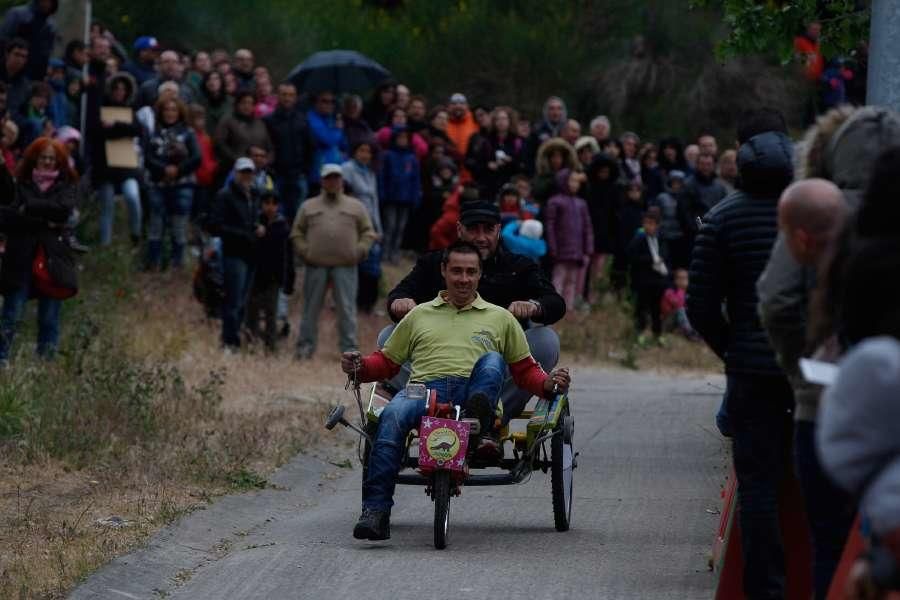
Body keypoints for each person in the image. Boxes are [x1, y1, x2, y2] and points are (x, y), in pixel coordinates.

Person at [758, 106, 900, 600]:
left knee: (830, 547)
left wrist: (805, 371)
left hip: (827, 408)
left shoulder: (817, 209)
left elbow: (776, 301)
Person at [342, 240, 572, 540]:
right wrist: (359, 366)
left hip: (477, 390)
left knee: (492, 361)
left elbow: (525, 370)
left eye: (470, 272)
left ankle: (480, 423)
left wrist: (549, 383)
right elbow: (386, 362)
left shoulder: (500, 318)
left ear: (479, 275)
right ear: (444, 272)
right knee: (391, 418)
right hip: (424, 391)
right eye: (457, 271)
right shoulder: (419, 315)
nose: (463, 279)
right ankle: (376, 512)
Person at [687, 107, 796, 599]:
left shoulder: (721, 218)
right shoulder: (822, 211)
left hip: (752, 370)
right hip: (813, 369)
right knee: (822, 475)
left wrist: (733, 348)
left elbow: (700, 304)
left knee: (757, 483)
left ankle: (765, 590)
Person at [385, 201, 565, 422]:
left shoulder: (518, 267)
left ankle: (489, 414)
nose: (481, 237)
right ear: (459, 230)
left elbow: (555, 303)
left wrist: (535, 307)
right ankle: (423, 405)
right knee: (388, 335)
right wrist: (400, 302)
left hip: (498, 365)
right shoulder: (434, 262)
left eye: (488, 229)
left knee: (546, 340)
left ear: (499, 230)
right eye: (473, 229)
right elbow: (399, 293)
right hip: (438, 367)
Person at [0, 136, 77, 364]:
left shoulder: (67, 186)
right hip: (20, 258)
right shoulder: (19, 184)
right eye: (43, 157)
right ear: (34, 159)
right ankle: (2, 361)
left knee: (49, 318)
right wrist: (46, 221)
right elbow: (6, 217)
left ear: (60, 162)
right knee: (11, 315)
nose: (47, 162)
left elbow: (63, 211)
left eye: (52, 159)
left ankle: (45, 366)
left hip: (52, 260)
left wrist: (28, 208)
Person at [291, 164, 375, 359]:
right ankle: (305, 348)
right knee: (310, 307)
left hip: (346, 265)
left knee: (346, 308)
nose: (333, 182)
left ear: (342, 181)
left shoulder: (356, 206)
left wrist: (360, 250)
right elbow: (297, 232)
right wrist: (305, 251)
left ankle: (350, 350)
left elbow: (368, 232)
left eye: (336, 178)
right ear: (322, 181)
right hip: (316, 264)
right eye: (329, 178)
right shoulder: (308, 206)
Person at [208, 157, 262, 350]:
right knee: (233, 300)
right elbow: (215, 225)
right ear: (236, 173)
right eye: (243, 172)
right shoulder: (225, 195)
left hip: (251, 253)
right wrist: (243, 235)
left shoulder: (255, 195)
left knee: (242, 301)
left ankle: (235, 339)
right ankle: (229, 341)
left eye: (250, 172)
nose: (247, 176)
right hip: (233, 253)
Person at [144, 97, 200, 270]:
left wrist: (178, 170)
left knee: (179, 225)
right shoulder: (153, 132)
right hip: (158, 184)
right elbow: (147, 158)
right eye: (166, 109)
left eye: (174, 109)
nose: (170, 113)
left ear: (180, 112)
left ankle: (178, 265)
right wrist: (164, 170)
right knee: (156, 224)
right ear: (161, 112)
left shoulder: (188, 133)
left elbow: (196, 157)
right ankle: (153, 263)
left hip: (183, 184)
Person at [91, 71, 144, 246]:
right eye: (116, 89)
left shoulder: (130, 111)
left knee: (132, 196)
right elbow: (99, 132)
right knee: (107, 207)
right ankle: (104, 246)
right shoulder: (100, 109)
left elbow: (137, 130)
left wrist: (116, 126)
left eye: (123, 89)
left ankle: (135, 235)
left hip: (126, 165)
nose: (120, 92)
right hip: (105, 167)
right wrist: (120, 129)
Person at [246, 189, 290, 352]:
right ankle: (250, 343)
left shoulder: (282, 226)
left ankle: (271, 347)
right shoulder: (255, 222)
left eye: (274, 204)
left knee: (271, 312)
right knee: (252, 311)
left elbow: (285, 255)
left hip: (274, 276)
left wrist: (285, 278)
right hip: (256, 274)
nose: (270, 207)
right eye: (267, 203)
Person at [342, 140, 382, 314]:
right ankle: (351, 303)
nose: (365, 155)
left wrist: (378, 228)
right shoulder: (346, 169)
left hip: (370, 224)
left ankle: (368, 304)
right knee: (355, 264)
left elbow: (374, 201)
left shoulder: (370, 173)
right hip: (352, 224)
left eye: (368, 151)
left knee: (372, 266)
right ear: (354, 152)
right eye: (361, 150)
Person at [545, 169, 593, 312]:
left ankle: (568, 310)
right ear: (563, 181)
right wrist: (553, 247)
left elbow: (587, 227)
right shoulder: (555, 202)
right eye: (572, 180)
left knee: (572, 281)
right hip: (561, 250)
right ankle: (555, 310)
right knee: (558, 280)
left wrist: (588, 248)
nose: (575, 184)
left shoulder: (581, 203)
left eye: (577, 181)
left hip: (577, 251)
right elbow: (550, 226)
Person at [379, 127, 421, 264]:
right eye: (400, 138)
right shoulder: (388, 155)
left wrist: (415, 198)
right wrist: (382, 194)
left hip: (406, 199)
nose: (402, 140)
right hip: (391, 197)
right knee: (389, 226)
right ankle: (385, 253)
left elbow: (416, 180)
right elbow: (382, 176)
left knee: (400, 227)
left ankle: (395, 253)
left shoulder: (412, 158)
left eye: (405, 138)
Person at [464, 105, 524, 200]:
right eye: (498, 119)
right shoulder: (486, 141)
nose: (501, 122)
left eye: (504, 119)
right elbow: (477, 164)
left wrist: (511, 161)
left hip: (511, 187)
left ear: (510, 121)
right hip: (490, 187)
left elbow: (523, 165)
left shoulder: (517, 142)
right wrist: (488, 165)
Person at [627, 207, 668, 345]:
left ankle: (658, 333)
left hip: (657, 280)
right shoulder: (639, 238)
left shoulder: (661, 239)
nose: (648, 226)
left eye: (651, 223)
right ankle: (640, 332)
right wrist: (651, 260)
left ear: (657, 225)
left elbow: (666, 255)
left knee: (657, 309)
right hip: (643, 279)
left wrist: (660, 260)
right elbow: (632, 256)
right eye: (646, 223)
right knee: (641, 308)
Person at [584, 153, 620, 302]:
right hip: (588, 235)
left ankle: (595, 299)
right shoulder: (588, 188)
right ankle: (585, 297)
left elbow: (615, 216)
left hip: (605, 237)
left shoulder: (613, 190)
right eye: (601, 171)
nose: (604, 174)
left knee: (600, 270)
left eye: (607, 171)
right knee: (586, 268)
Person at [0, 0, 58, 81]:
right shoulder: (17, 14)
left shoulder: (51, 25)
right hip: (13, 67)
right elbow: (3, 39)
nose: (46, 4)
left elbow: (48, 50)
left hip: (36, 72)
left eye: (49, 2)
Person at [306, 90, 346, 196]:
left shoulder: (332, 119)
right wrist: (338, 130)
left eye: (332, 101)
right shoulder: (311, 119)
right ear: (316, 103)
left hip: (336, 173)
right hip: (319, 175)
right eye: (325, 101)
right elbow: (327, 140)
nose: (329, 105)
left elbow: (344, 144)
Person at [649, 169, 691, 269]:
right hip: (665, 237)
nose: (676, 185)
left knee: (681, 265)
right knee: (665, 264)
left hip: (682, 237)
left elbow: (695, 216)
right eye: (674, 182)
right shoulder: (662, 197)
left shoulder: (688, 197)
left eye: (679, 182)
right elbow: (655, 216)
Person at [524, 96, 568, 175]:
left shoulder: (568, 129)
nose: (555, 112)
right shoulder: (537, 130)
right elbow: (529, 155)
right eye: (552, 108)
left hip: (564, 175)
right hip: (542, 174)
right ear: (546, 111)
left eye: (559, 108)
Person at [683, 153, 728, 229]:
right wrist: (699, 228)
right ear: (697, 165)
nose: (705, 167)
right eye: (702, 164)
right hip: (697, 231)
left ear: (714, 165)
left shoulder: (720, 187)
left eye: (709, 164)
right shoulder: (688, 185)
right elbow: (686, 213)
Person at [532, 137, 580, 204]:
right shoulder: (542, 176)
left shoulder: (571, 176)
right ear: (548, 158)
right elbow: (538, 192)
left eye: (559, 156)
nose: (556, 160)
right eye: (553, 156)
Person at [445, 93, 479, 174]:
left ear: (467, 106)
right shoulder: (443, 120)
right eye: (454, 104)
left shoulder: (475, 120)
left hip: (471, 173)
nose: (458, 106)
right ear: (449, 107)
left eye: (461, 103)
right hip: (449, 173)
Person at [661, 268, 698, 340]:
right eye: (680, 278)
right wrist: (682, 290)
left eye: (685, 278)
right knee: (681, 309)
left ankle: (696, 331)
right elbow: (679, 304)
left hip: (680, 323)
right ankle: (690, 332)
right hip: (668, 322)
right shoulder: (670, 292)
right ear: (675, 280)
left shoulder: (690, 292)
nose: (683, 280)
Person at [0, 38, 30, 119]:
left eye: (23, 56)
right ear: (7, 54)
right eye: (16, 54)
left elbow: (25, 111)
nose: (20, 60)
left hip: (15, 123)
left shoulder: (24, 85)